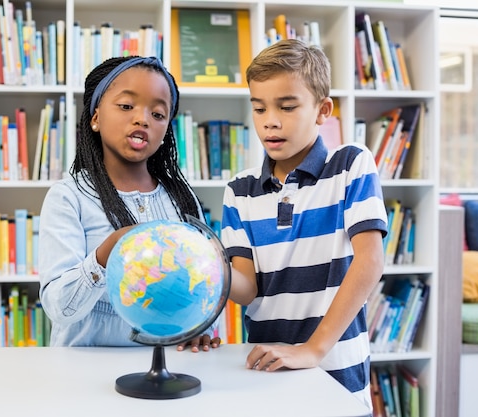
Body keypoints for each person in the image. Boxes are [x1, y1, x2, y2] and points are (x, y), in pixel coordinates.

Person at [221, 39, 388, 409]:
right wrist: (203, 269)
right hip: (265, 369)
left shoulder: (350, 164)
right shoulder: (239, 190)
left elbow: (371, 260)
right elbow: (246, 288)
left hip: (335, 369)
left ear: (322, 110)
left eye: (287, 106)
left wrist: (313, 349)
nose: (270, 121)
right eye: (259, 108)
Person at [38, 56, 219, 352]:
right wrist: (103, 256)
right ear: (95, 118)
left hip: (164, 369)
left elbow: (203, 284)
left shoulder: (182, 198)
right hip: (84, 372)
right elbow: (59, 308)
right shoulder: (68, 197)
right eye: (126, 106)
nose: (142, 119)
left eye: (158, 114)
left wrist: (202, 327)